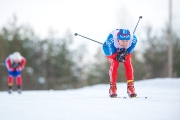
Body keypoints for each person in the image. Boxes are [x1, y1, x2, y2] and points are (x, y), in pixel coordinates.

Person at [102, 29, 138, 98]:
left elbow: (129, 51)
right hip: (109, 49)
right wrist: (117, 55)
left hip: (123, 51)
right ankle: (113, 87)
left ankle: (130, 87)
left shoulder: (133, 40)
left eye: (127, 41)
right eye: (122, 41)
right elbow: (112, 53)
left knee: (128, 63)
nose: (125, 43)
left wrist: (125, 53)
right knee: (115, 63)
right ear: (118, 39)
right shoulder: (111, 39)